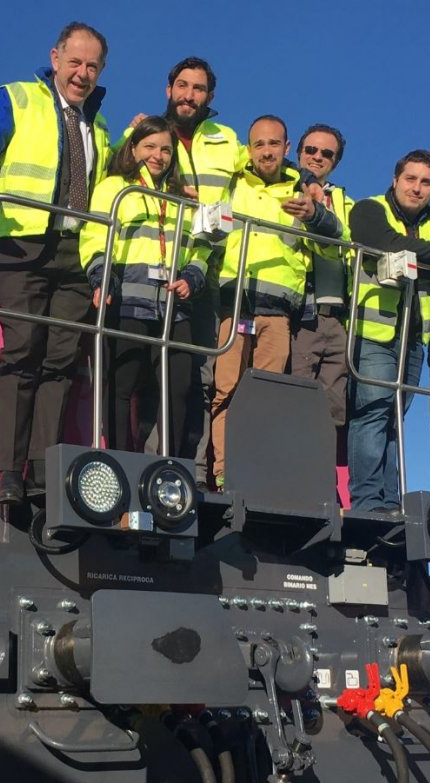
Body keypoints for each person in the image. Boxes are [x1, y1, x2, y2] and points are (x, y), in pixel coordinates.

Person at [0, 22, 111, 506]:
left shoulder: (99, 128)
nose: (82, 74)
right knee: (23, 349)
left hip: (70, 253)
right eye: (75, 62)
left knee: (61, 362)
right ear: (56, 58)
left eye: (92, 66)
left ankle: (44, 473)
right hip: (16, 247)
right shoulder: (17, 98)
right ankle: (10, 473)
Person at [210, 115, 340, 488]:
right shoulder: (233, 182)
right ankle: (222, 474)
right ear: (248, 150)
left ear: (287, 149)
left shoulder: (305, 190)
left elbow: (334, 244)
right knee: (226, 391)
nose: (267, 151)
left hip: (279, 311)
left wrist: (315, 215)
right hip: (234, 304)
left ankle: (257, 475)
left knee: (266, 396)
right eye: (259, 144)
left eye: (274, 144)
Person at [130, 58, 243, 484]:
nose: (188, 95)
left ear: (210, 97)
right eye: (182, 85)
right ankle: (148, 468)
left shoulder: (226, 139)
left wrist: (306, 177)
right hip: (155, 273)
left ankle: (189, 472)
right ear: (167, 88)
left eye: (198, 89)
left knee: (199, 377)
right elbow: (114, 174)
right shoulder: (144, 134)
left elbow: (265, 169)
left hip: (209, 275)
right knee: (150, 374)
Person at [80, 116, 208, 455]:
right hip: (126, 300)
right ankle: (120, 460)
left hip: (173, 307)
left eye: (166, 149)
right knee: (122, 385)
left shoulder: (183, 197)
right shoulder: (113, 187)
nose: (158, 155)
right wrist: (101, 278)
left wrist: (193, 277)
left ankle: (171, 468)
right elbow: (94, 237)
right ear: (133, 148)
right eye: (150, 147)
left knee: (178, 387)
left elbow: (200, 247)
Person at [347, 150, 430, 514]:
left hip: (414, 338)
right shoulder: (369, 208)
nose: (416, 188)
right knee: (373, 413)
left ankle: (389, 501)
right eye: (410, 179)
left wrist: (423, 258)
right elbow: (380, 240)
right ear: (396, 179)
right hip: (374, 332)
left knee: (394, 421)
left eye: (425, 182)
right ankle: (367, 503)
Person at [290, 124, 353, 446]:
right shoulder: (282, 189)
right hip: (301, 315)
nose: (317, 157)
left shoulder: (347, 203)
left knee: (332, 409)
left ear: (336, 161)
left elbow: (349, 244)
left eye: (326, 153)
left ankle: (321, 484)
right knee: (296, 401)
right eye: (310, 150)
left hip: (339, 318)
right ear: (297, 152)